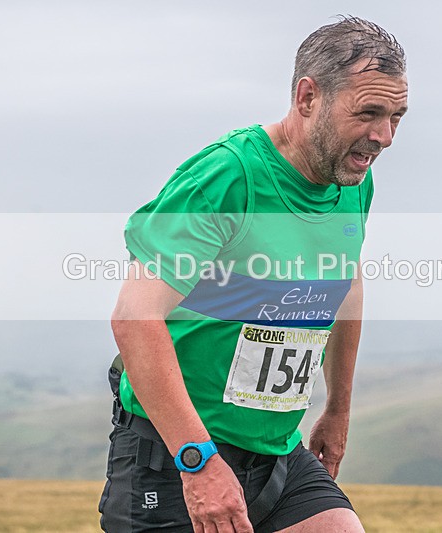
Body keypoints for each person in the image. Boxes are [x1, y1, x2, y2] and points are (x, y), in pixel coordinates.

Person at [99, 15, 408, 533]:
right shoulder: (227, 176)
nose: (385, 136)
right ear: (308, 97)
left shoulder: (352, 179)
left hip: (277, 451)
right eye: (370, 113)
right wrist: (197, 463)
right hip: (177, 450)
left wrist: (337, 410)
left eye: (398, 116)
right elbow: (134, 318)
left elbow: (345, 283)